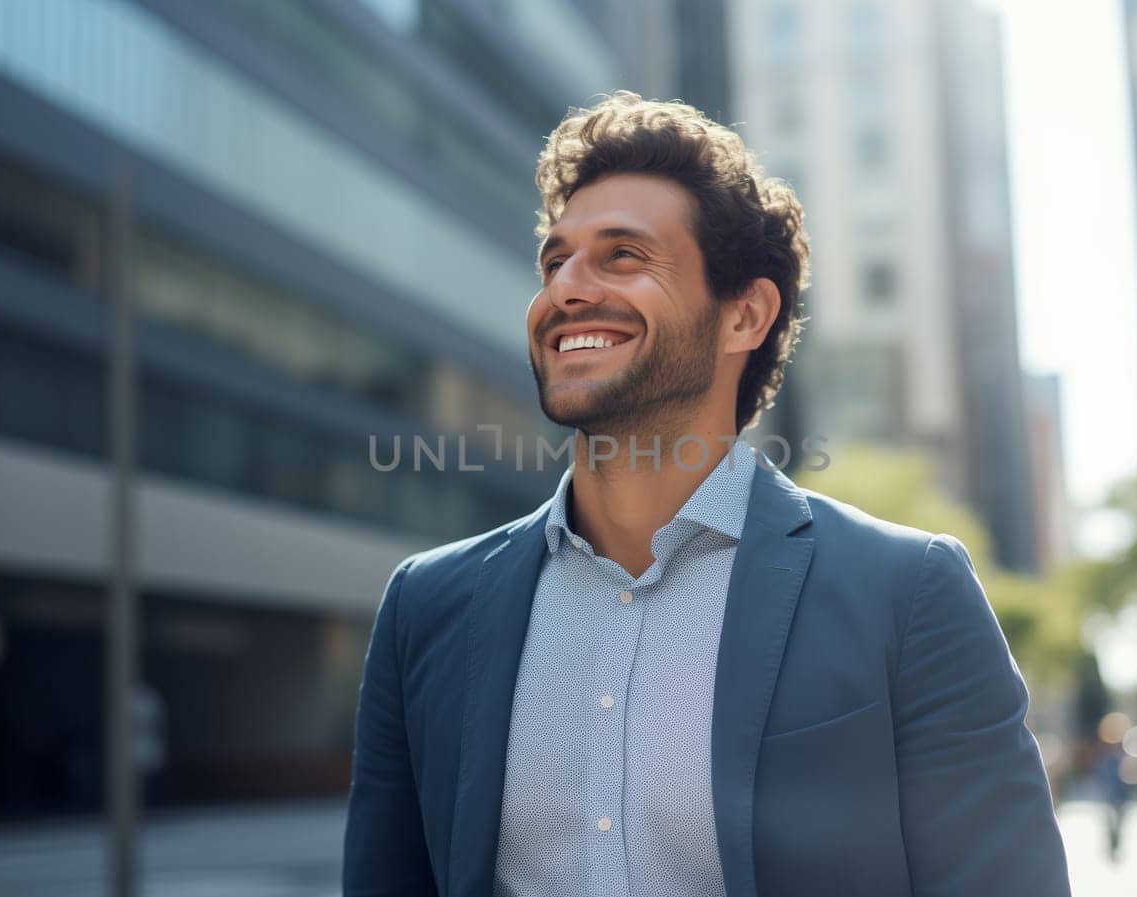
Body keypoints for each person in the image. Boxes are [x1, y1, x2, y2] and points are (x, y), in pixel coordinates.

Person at [342, 91, 1070, 897]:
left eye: (622, 255)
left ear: (745, 315)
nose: (566, 290)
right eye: (556, 261)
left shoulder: (909, 593)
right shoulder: (427, 606)